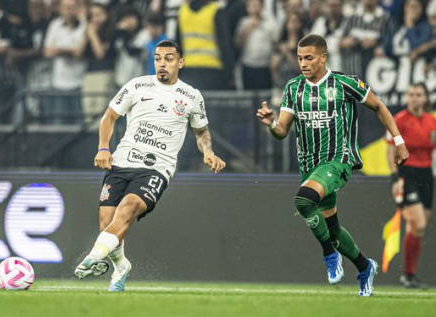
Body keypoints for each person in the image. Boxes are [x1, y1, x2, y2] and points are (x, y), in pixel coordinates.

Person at [256, 34, 409, 297]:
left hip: (338, 160)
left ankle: (329, 254)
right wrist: (271, 123)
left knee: (304, 201)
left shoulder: (344, 83)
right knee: (332, 227)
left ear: (323, 57)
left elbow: (379, 106)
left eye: (309, 58)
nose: (303, 63)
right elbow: (282, 131)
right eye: (300, 58)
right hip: (310, 166)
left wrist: (399, 141)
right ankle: (364, 266)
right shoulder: (293, 88)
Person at [74, 39, 226, 291]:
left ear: (180, 62)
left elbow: (201, 132)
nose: (162, 64)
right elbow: (109, 117)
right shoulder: (137, 85)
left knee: (129, 209)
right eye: (157, 58)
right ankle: (121, 266)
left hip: (156, 168)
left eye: (168, 58)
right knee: (107, 224)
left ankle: (93, 258)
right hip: (121, 162)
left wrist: (208, 151)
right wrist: (103, 148)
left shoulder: (191, 96)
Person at [386, 83, 435, 288]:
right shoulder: (399, 120)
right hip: (407, 175)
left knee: (417, 229)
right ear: (407, 98)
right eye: (411, 94)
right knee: (419, 224)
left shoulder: (431, 121)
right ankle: (407, 274)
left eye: (418, 94)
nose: (415, 98)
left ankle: (409, 275)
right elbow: (390, 151)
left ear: (424, 98)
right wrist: (395, 178)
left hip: (427, 175)